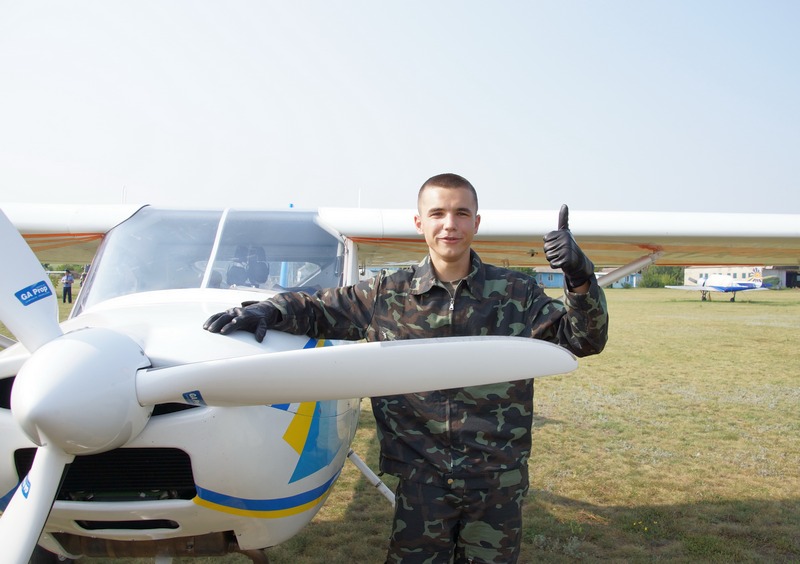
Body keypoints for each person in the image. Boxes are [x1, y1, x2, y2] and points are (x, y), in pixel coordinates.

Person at [204, 173, 608, 563]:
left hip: (496, 479)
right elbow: (318, 308)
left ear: (476, 222)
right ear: (419, 223)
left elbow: (583, 339)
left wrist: (580, 278)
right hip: (421, 481)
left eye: (461, 213)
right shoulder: (387, 293)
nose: (449, 224)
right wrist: (268, 310)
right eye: (437, 213)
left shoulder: (517, 293)